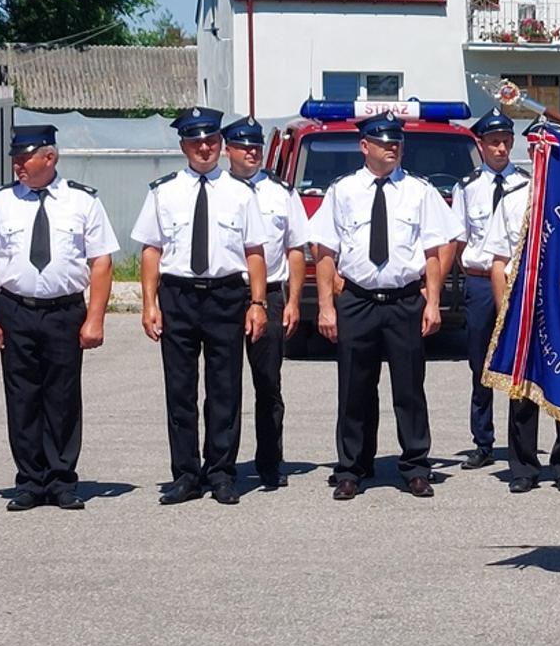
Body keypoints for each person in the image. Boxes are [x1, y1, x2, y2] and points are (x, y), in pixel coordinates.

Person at [310, 112, 464, 499]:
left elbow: (434, 248)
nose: (392, 147)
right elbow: (324, 250)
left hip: (404, 301)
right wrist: (326, 306)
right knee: (354, 389)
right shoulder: (342, 191)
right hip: (358, 301)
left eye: (396, 141)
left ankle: (415, 466)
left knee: (409, 388)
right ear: (364, 146)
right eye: (383, 142)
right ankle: (351, 468)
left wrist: (433, 300)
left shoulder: (419, 190)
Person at [0, 124, 119, 512]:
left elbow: (101, 261)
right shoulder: (0, 202)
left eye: (25, 158)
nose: (18, 165)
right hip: (16, 309)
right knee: (22, 398)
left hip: (64, 311)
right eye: (16, 159)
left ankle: (61, 479)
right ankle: (30, 481)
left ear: (49, 158)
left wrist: (95, 318)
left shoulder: (82, 201)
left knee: (63, 397)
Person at [134, 107, 273, 506]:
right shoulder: (163, 191)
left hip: (225, 295)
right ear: (183, 146)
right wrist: (149, 303)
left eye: (211, 141)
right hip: (177, 295)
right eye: (196, 142)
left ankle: (222, 472)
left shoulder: (240, 193)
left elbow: (254, 252)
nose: (205, 148)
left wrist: (258, 302)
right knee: (180, 389)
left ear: (220, 144)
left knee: (225, 387)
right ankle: (185, 474)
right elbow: (151, 250)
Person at [483, 125, 560, 493]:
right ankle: (523, 467)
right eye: (538, 149)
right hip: (522, 305)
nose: (544, 156)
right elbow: (498, 259)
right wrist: (503, 312)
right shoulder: (514, 198)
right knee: (521, 389)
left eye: (552, 150)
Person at [223, 116, 309, 490]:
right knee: (224, 384)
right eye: (243, 147)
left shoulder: (280, 192)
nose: (251, 153)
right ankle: (222, 464)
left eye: (256, 147)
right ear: (228, 150)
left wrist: (292, 300)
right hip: (225, 294)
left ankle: (270, 460)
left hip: (271, 294)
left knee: (268, 384)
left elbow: (295, 249)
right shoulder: (217, 190)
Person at [453, 108, 532, 471]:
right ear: (481, 144)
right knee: (480, 365)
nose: (501, 149)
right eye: (494, 142)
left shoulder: (527, 184)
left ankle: (521, 443)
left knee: (521, 363)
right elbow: (457, 240)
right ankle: (483, 441)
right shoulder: (467, 187)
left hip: (519, 283)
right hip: (481, 282)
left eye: (506, 141)